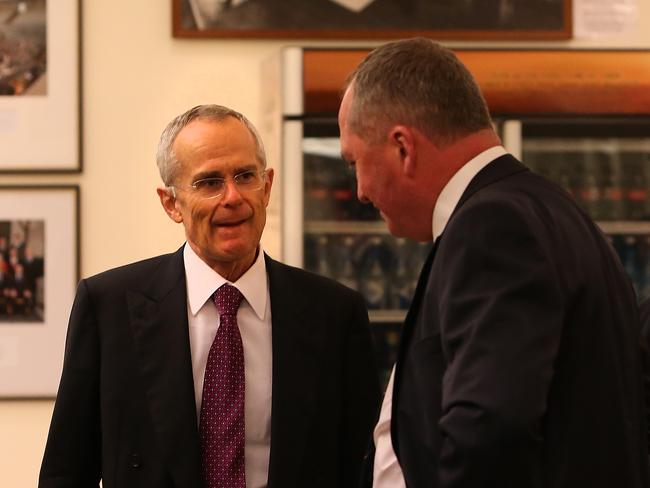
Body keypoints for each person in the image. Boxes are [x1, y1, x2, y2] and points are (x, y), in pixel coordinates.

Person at [338, 38, 650, 488]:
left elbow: (490, 429)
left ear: (403, 147)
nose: (361, 191)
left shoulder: (492, 225)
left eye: (354, 162)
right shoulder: (549, 207)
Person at [40, 104, 381, 488]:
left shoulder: (334, 313)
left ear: (267, 186)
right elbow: (66, 471)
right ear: (171, 204)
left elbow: (362, 468)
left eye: (245, 176)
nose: (233, 196)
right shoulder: (108, 307)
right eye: (209, 182)